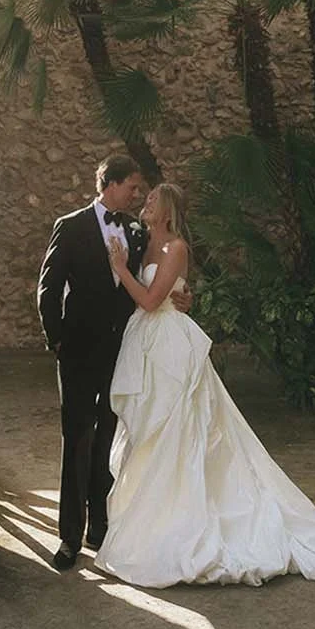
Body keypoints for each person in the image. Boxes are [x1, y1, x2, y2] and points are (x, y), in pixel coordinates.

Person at [96, 181, 315, 588]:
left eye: (153, 199)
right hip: (146, 345)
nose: (146, 202)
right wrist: (156, 282)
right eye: (146, 197)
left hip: (170, 346)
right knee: (150, 436)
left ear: (168, 211)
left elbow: (154, 300)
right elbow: (170, 294)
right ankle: (151, 518)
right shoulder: (141, 242)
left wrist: (121, 270)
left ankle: (187, 520)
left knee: (178, 430)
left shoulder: (177, 248)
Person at [37, 153, 190, 571]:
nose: (137, 195)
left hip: (124, 351)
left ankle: (100, 528)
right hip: (78, 352)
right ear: (112, 184)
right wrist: (57, 341)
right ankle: (69, 537)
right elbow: (48, 289)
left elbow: (154, 283)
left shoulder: (139, 233)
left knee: (108, 439)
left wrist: (181, 294)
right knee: (77, 438)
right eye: (132, 187)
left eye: (141, 191)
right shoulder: (69, 227)